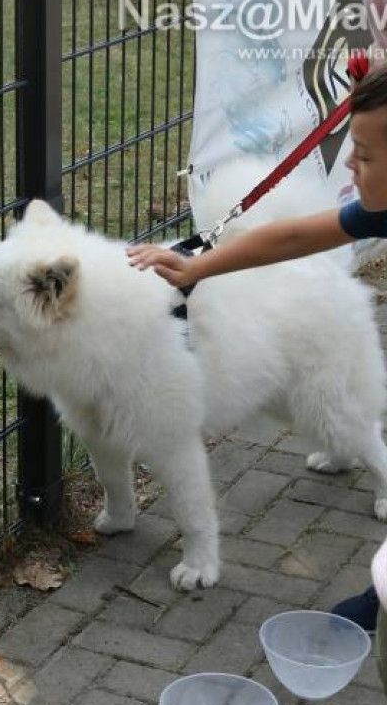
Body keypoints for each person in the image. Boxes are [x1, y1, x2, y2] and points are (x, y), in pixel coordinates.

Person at [127, 61, 387, 667]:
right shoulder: (376, 209)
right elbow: (293, 237)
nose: (350, 165)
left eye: (367, 155)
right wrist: (197, 267)